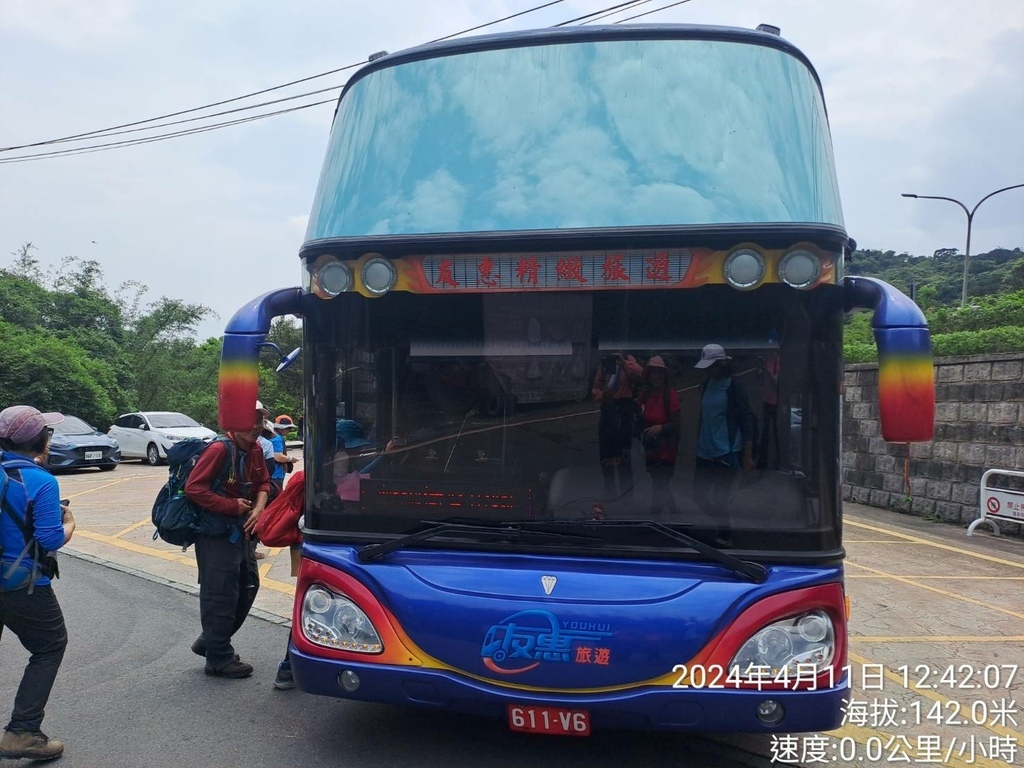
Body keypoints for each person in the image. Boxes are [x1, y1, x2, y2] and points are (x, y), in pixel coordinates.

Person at [0, 406, 76, 762]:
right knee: (49, 646)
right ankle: (22, 731)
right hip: (22, 584)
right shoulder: (42, 481)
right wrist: (70, 525)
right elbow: (48, 538)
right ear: (42, 441)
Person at [185, 401, 271, 679]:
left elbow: (264, 484)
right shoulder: (219, 449)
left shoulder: (255, 448)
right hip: (215, 533)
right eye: (252, 420)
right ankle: (218, 658)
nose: (258, 426)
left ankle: (210, 641)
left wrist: (258, 509)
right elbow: (194, 488)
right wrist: (231, 506)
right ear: (234, 421)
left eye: (261, 420)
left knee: (248, 585)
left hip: (242, 530)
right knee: (220, 593)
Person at [693, 343, 756, 545]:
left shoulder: (734, 386)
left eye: (714, 366)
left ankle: (724, 533)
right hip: (704, 450)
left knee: (721, 496)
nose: (711, 370)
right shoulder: (706, 385)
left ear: (723, 364)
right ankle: (721, 521)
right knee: (697, 494)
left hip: (726, 451)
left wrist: (747, 455)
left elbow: (746, 419)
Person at [592, 353, 643, 498]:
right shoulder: (605, 364)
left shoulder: (630, 362)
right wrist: (602, 395)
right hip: (608, 408)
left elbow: (640, 376)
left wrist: (623, 363)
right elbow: (595, 388)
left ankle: (627, 492)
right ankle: (609, 489)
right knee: (606, 451)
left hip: (624, 410)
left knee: (624, 453)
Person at [636, 356, 681, 517]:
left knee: (659, 484)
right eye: (653, 373)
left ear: (664, 376)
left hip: (666, 449)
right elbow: (640, 418)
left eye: (659, 373)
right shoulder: (645, 395)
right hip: (651, 448)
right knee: (659, 483)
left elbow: (676, 424)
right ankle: (674, 515)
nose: (656, 377)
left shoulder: (671, 395)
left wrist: (660, 428)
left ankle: (655, 518)